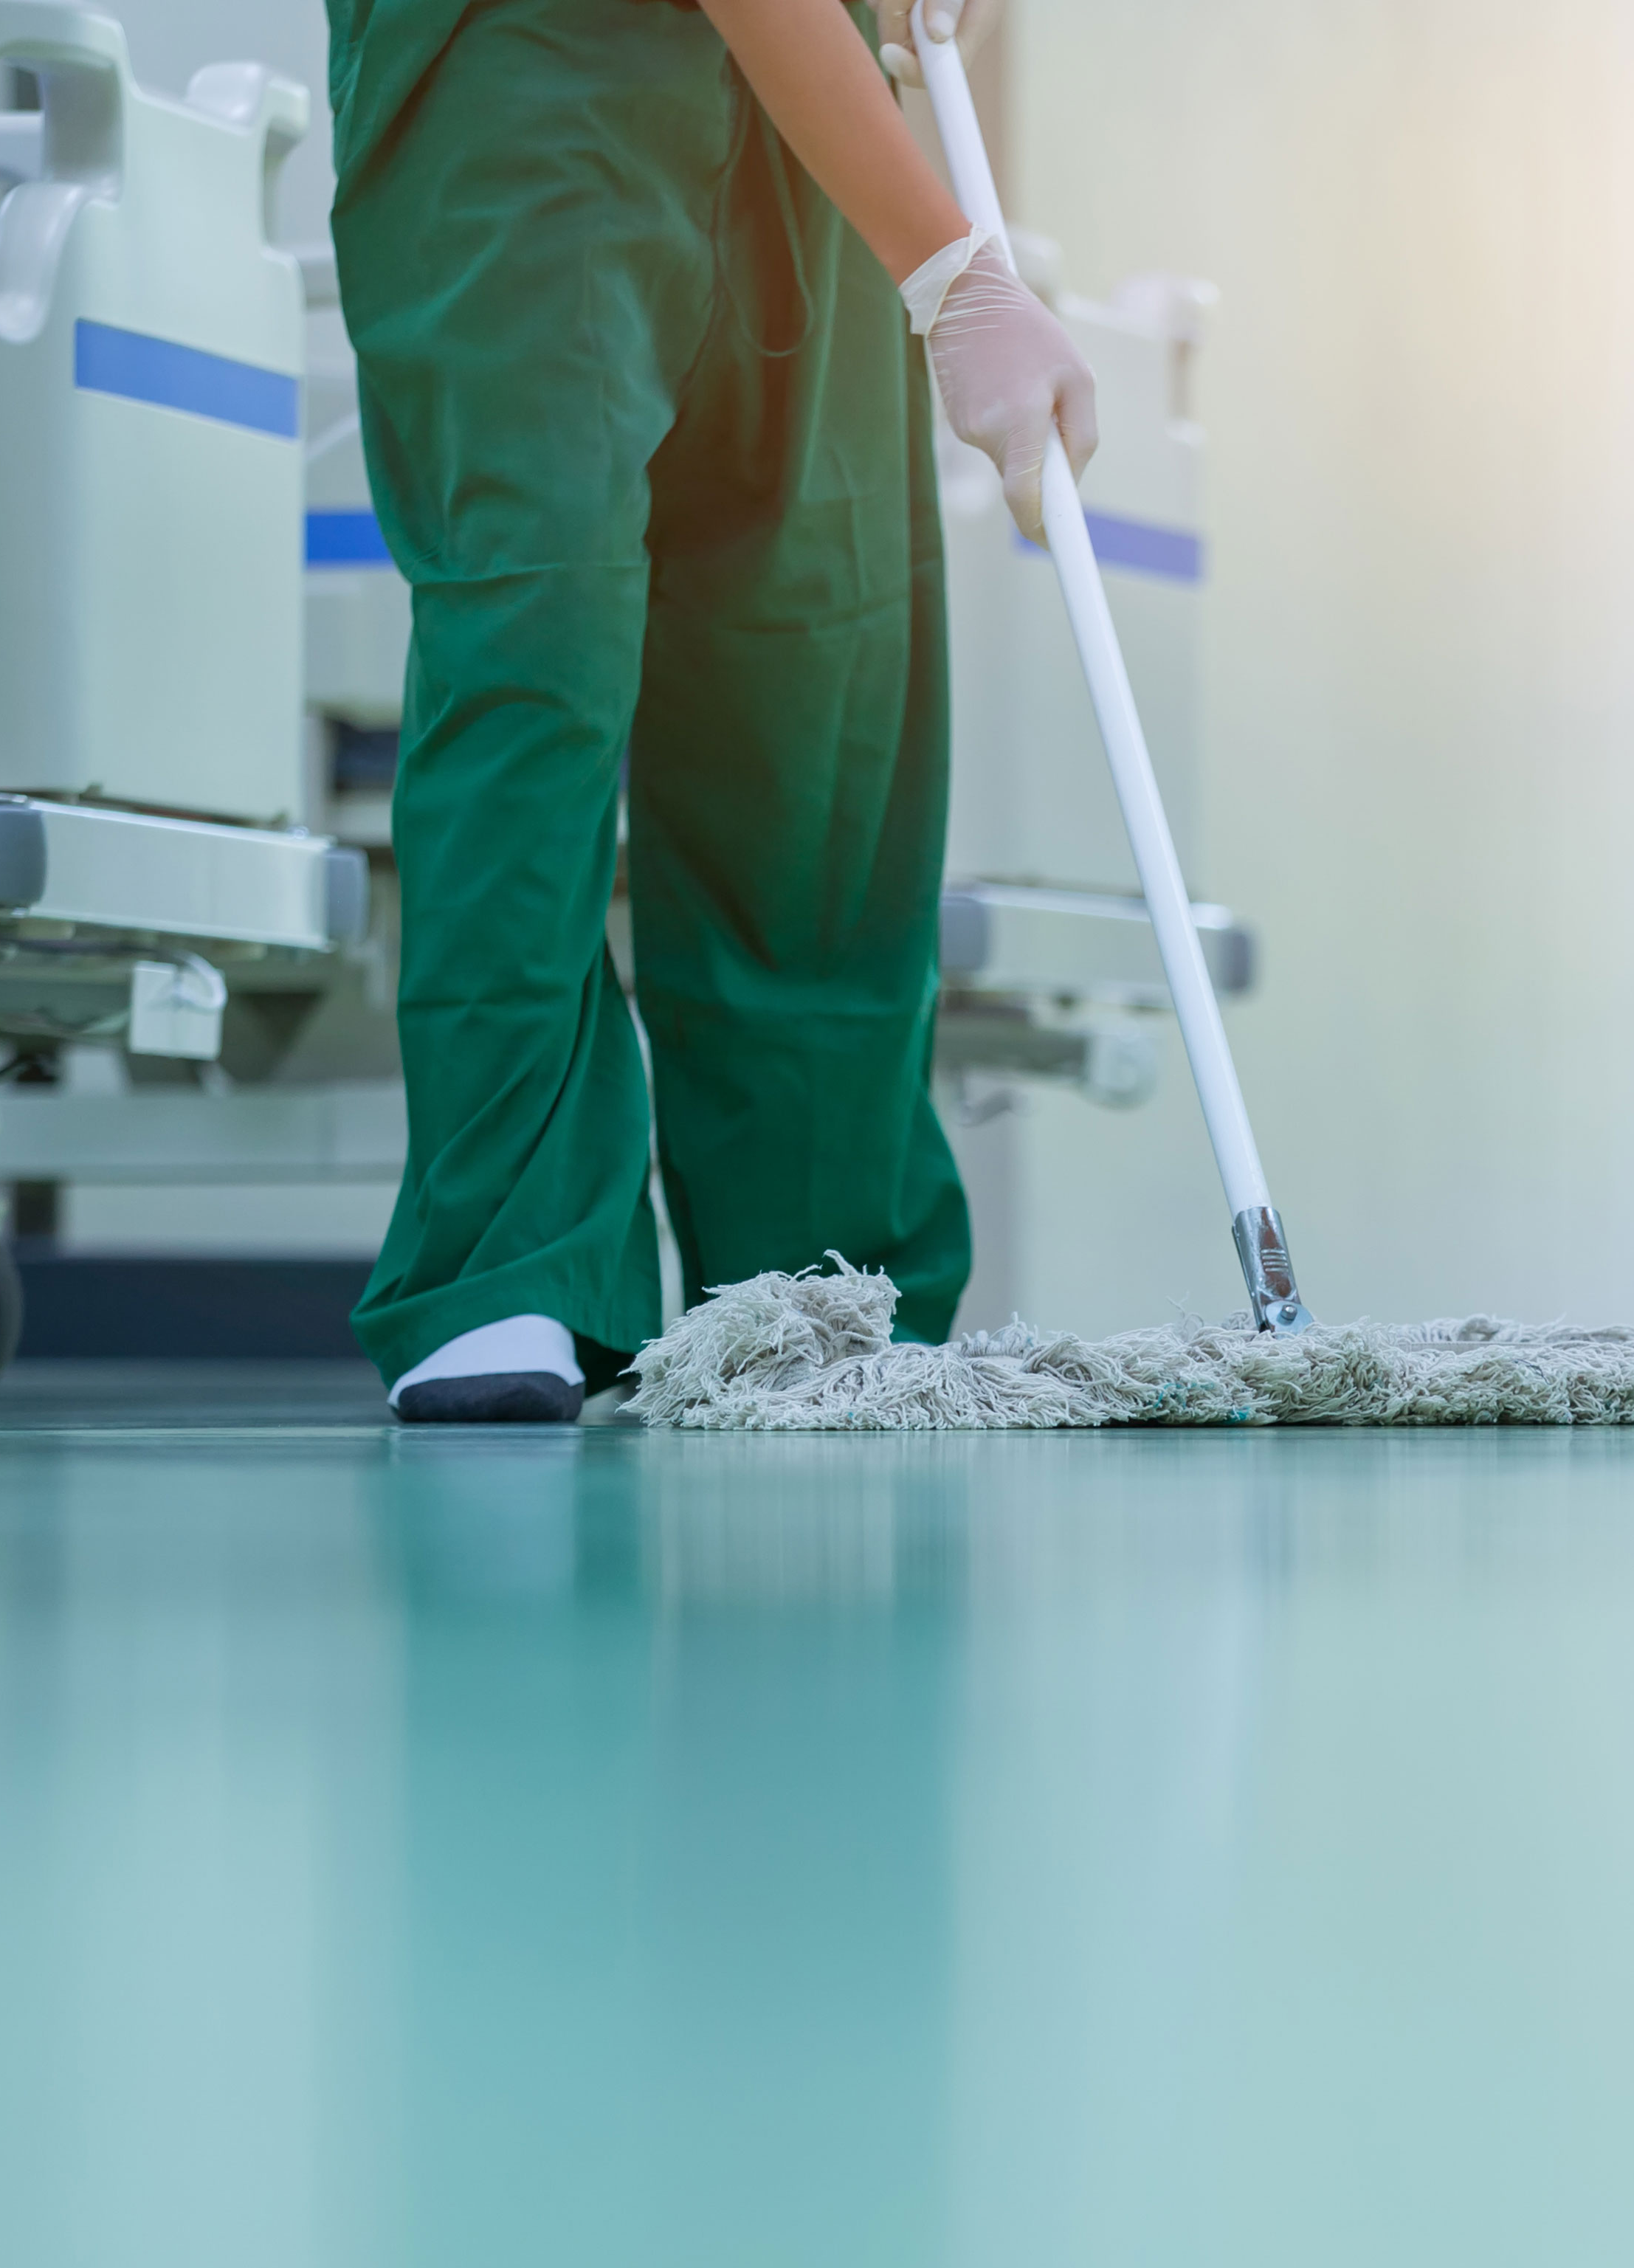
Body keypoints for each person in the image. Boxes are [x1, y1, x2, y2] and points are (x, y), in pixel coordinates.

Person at [320, 0, 1094, 1420]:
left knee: (811, 681)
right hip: (516, 71)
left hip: (805, 97)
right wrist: (953, 276)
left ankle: (821, 1279)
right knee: (534, 650)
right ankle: (506, 1269)